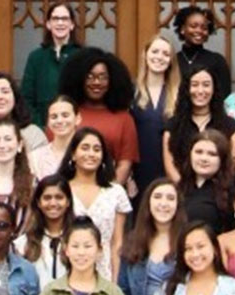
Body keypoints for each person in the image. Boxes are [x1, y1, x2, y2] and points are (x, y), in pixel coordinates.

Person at [58, 127, 133, 279]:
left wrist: (114, 283)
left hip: (103, 272)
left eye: (97, 149)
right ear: (73, 154)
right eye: (85, 148)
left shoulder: (115, 192)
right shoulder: (61, 189)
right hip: (64, 270)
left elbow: (117, 243)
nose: (91, 154)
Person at [60, 47, 140, 184]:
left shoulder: (124, 119)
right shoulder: (66, 114)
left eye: (103, 77)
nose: (96, 82)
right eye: (90, 77)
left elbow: (125, 165)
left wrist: (108, 196)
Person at [163, 66, 235, 182]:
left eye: (206, 85)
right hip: (182, 193)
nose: (200, 90)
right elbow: (170, 166)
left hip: (219, 192)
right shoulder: (173, 126)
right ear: (186, 89)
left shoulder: (230, 127)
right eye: (194, 85)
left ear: (214, 89)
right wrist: (186, 193)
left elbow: (232, 164)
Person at [119, 179, 184, 295]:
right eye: (157, 197)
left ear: (178, 205)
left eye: (170, 198)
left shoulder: (187, 242)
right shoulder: (132, 241)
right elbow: (123, 290)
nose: (163, 203)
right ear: (148, 202)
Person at [133, 35, 181, 190]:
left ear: (171, 61)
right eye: (155, 51)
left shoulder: (179, 95)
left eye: (166, 54)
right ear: (145, 55)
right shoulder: (131, 92)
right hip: (137, 174)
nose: (159, 57)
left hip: (170, 172)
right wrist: (128, 178)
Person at [155, 222, 235, 295]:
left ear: (215, 249)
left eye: (200, 246)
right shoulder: (168, 289)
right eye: (188, 249)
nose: (195, 254)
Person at [39, 216, 128, 295]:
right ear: (66, 250)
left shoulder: (113, 294)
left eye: (87, 246)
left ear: (99, 250)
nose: (81, 252)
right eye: (75, 246)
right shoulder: (51, 292)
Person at [23, 1, 81, 127]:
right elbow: (26, 98)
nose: (60, 23)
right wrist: (40, 125)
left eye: (65, 19)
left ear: (72, 24)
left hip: (75, 129)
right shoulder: (36, 57)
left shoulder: (83, 56)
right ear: (48, 24)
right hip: (42, 128)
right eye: (55, 19)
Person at [15, 175, 75, 287]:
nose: (53, 203)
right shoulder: (23, 244)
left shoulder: (79, 240)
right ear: (38, 203)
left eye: (59, 197)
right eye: (47, 198)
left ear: (68, 202)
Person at [175, 130, 234, 234]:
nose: (204, 159)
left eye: (212, 154)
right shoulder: (178, 188)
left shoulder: (232, 191)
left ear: (222, 159)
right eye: (198, 152)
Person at [172, 6, 231, 99]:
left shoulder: (217, 61)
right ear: (182, 29)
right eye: (193, 26)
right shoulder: (172, 61)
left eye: (204, 28)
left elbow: (225, 97)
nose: (199, 30)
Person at [31, 96, 81, 180]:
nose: (59, 121)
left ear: (77, 119)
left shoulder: (87, 154)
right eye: (54, 117)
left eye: (65, 115)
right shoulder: (35, 157)